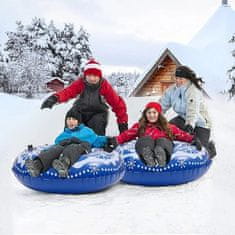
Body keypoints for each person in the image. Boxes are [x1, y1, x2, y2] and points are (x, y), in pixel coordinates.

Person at [40, 59, 128, 135]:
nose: (92, 79)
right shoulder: (81, 83)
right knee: (72, 114)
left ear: (99, 76)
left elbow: (118, 104)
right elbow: (68, 92)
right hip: (80, 112)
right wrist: (55, 98)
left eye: (95, 76)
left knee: (97, 122)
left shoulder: (104, 86)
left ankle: (94, 143)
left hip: (98, 113)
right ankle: (69, 139)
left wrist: (123, 125)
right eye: (89, 75)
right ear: (85, 75)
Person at [104, 102, 201, 167]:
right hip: (146, 144)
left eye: (154, 112)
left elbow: (181, 134)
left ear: (159, 114)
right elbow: (126, 135)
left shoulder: (168, 127)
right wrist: (114, 141)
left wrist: (193, 139)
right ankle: (147, 155)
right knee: (145, 140)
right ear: (145, 114)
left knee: (162, 141)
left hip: (164, 143)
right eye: (149, 112)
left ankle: (162, 154)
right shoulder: (140, 126)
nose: (151, 115)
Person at [25, 109, 108, 178]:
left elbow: (97, 139)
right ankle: (37, 166)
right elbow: (56, 145)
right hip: (63, 149)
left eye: (74, 119)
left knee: (72, 147)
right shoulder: (64, 134)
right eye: (68, 119)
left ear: (78, 121)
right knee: (56, 149)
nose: (70, 121)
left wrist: (109, 141)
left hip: (81, 148)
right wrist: (45, 151)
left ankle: (63, 165)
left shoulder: (87, 131)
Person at [159, 65, 216, 159]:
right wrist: (152, 117)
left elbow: (193, 110)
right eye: (176, 78)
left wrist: (189, 124)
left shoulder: (193, 90)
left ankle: (210, 149)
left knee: (200, 151)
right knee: (167, 130)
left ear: (187, 79)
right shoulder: (172, 90)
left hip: (201, 123)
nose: (178, 81)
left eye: (181, 78)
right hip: (182, 119)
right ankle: (165, 150)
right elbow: (161, 105)